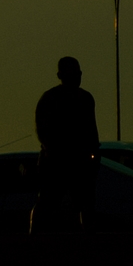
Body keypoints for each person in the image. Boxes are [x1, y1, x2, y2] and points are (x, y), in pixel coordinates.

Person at [31, 55, 98, 245]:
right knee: (47, 201)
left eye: (77, 73)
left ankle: (89, 237)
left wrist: (94, 155)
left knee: (85, 202)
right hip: (57, 160)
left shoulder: (85, 99)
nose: (76, 77)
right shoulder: (51, 98)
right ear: (60, 75)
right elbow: (42, 129)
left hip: (78, 160)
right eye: (72, 73)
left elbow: (92, 130)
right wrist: (52, 150)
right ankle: (34, 237)